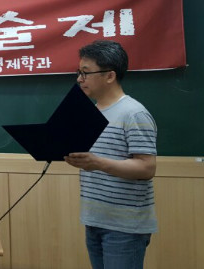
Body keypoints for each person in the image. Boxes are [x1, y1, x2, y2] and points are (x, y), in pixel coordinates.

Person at [64, 40, 157, 269]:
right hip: (94, 219)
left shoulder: (133, 113)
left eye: (85, 73)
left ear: (109, 76)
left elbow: (147, 167)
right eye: (79, 72)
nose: (79, 79)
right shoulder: (90, 113)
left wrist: (97, 163)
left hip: (125, 227)